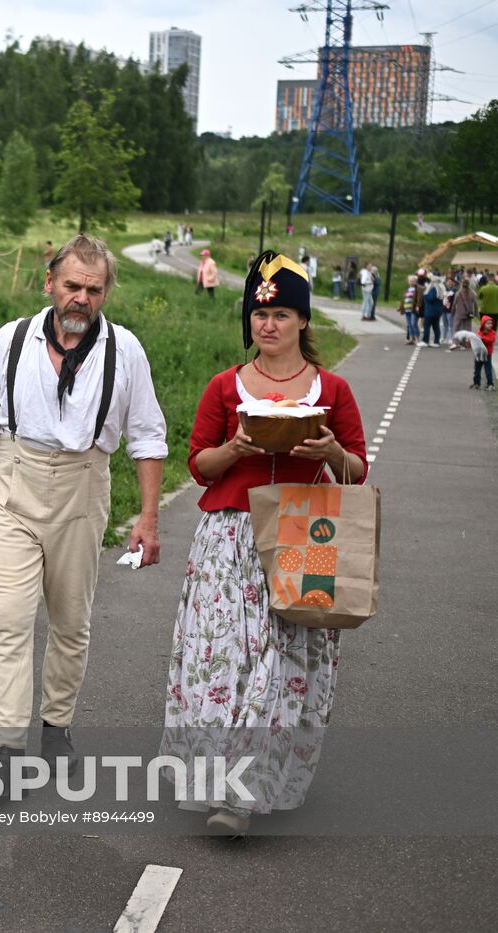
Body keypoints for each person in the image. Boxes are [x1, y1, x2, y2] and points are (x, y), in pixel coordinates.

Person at [0, 235, 167, 775]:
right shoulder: (11, 341)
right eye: (72, 286)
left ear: (105, 294)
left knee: (71, 622)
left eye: (94, 290)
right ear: (49, 284)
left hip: (83, 488)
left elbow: (147, 438)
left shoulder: (126, 351)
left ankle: (56, 726)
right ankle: (5, 748)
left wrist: (148, 518)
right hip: (15, 487)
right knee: (9, 619)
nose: (81, 299)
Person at [163, 251, 368, 836]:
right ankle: (222, 783)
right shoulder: (225, 386)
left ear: (303, 320)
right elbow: (200, 465)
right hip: (229, 534)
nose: (268, 324)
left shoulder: (333, 388)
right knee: (226, 660)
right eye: (259, 313)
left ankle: (246, 794)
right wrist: (238, 449)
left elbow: (357, 469)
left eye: (280, 313)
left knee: (282, 663)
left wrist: (329, 452)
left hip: (307, 529)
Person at [454, 317, 495, 390]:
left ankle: (490, 384)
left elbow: (491, 340)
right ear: (483, 324)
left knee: (488, 369)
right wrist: (469, 341)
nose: (490, 325)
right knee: (477, 369)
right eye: (488, 323)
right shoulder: (479, 332)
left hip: (487, 354)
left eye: (491, 323)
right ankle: (477, 383)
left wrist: (481, 338)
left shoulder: (492, 333)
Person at [449, 276, 478, 349]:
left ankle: (455, 343)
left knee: (456, 328)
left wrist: (452, 312)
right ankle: (465, 343)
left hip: (459, 313)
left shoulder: (458, 293)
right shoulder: (472, 293)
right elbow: (476, 304)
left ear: (461, 285)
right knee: (467, 329)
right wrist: (476, 313)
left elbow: (454, 304)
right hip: (469, 314)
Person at [421, 273, 447, 348]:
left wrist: (425, 296)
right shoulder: (441, 287)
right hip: (438, 310)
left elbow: (431, 299)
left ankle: (425, 341)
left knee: (427, 326)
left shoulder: (433, 288)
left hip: (431, 310)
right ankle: (436, 341)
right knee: (436, 326)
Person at [401, 274, 420, 345]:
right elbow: (404, 299)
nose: (411, 282)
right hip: (407, 309)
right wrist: (401, 307)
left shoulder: (417, 289)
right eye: (410, 281)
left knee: (413, 323)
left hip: (413, 310)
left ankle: (417, 338)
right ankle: (411, 338)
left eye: (413, 281)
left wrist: (418, 306)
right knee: (409, 324)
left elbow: (418, 299)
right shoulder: (408, 289)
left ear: (415, 282)